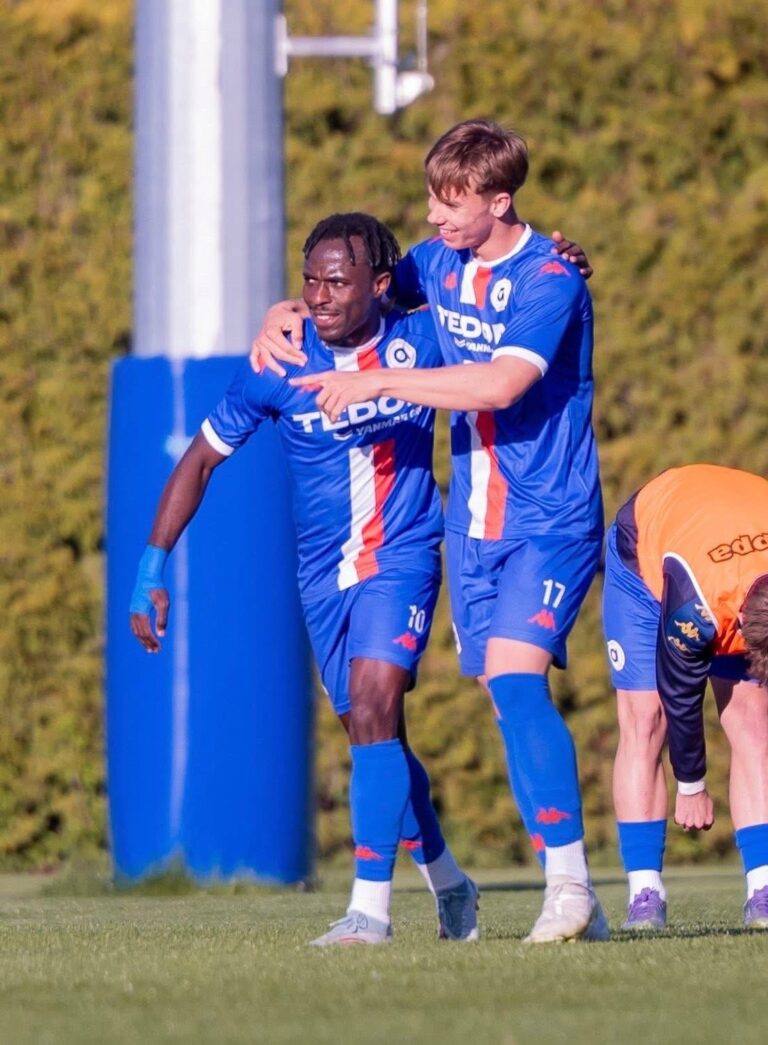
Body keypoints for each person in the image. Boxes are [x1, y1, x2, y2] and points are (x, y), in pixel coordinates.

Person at [252, 120, 608, 943]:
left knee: (515, 680)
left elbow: (500, 384)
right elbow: (354, 289)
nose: (434, 216)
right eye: (431, 199)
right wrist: (281, 312)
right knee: (499, 693)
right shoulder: (438, 263)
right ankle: (562, 901)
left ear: (499, 201)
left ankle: (569, 885)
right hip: (473, 524)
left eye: (451, 203)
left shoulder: (550, 278)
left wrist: (378, 379)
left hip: (550, 515)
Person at [129, 213, 479, 947]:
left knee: (377, 705)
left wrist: (556, 256)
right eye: (310, 281)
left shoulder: (424, 338)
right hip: (323, 579)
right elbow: (200, 459)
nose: (319, 296)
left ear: (379, 285)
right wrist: (151, 566)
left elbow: (499, 325)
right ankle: (451, 883)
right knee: (375, 737)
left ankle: (368, 913)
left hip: (403, 555)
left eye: (337, 281)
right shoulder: (278, 360)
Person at [603, 464, 768, 931]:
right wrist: (691, 785)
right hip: (645, 553)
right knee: (645, 719)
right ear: (741, 627)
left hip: (730, 535)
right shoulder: (694, 608)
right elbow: (680, 694)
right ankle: (645, 892)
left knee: (753, 719)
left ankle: (763, 886)